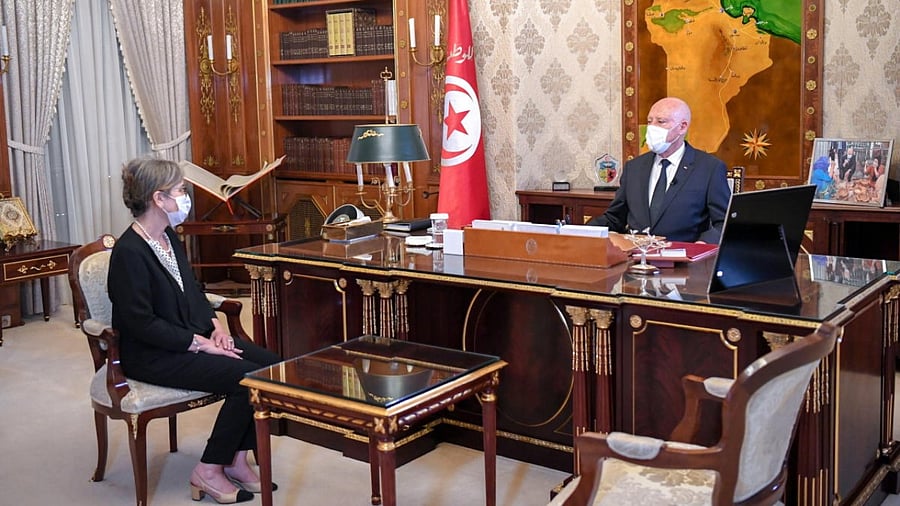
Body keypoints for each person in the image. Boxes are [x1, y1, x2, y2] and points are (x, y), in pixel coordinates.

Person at [107, 157, 281, 504]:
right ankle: (209, 469)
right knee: (245, 376)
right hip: (153, 354)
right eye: (180, 191)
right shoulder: (129, 253)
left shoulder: (168, 236)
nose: (185, 197)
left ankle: (236, 459)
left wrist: (215, 327)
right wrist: (200, 344)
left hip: (188, 337)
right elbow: (141, 324)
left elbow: (193, 290)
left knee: (271, 366)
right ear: (159, 199)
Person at [587, 97, 731, 243]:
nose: (652, 127)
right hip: (636, 258)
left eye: (661, 122)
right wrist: (578, 232)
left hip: (684, 259)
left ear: (682, 127)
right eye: (650, 121)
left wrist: (700, 246)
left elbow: (724, 223)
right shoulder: (634, 168)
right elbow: (615, 218)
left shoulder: (709, 168)